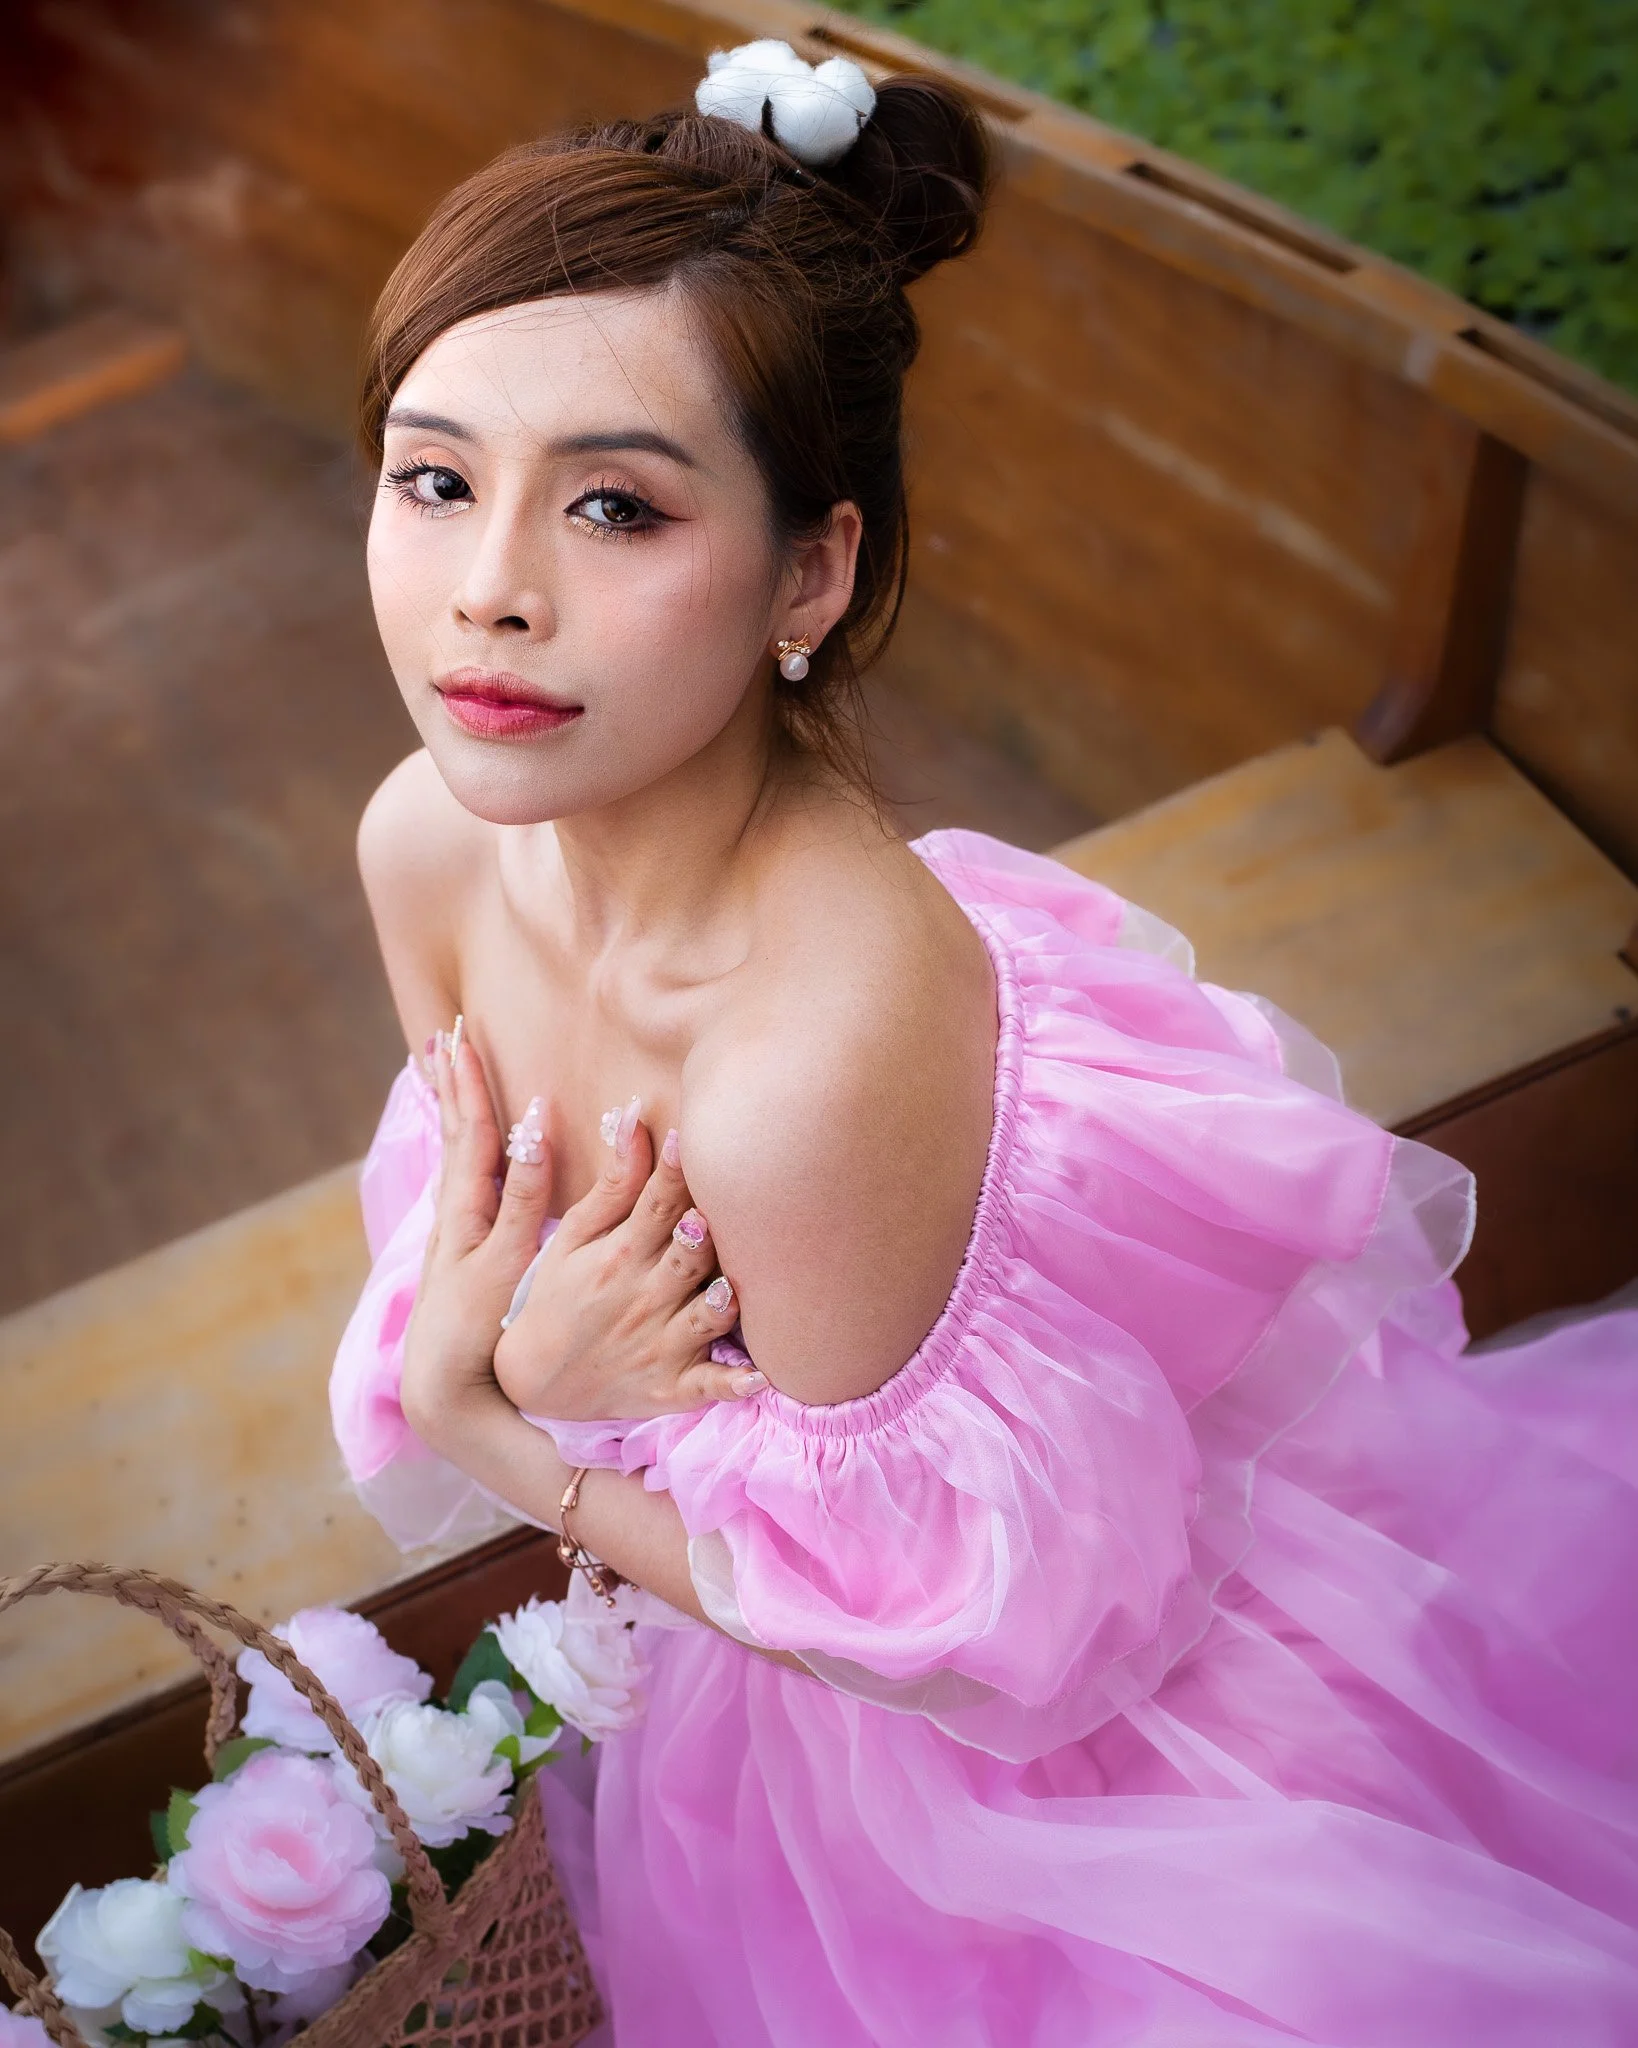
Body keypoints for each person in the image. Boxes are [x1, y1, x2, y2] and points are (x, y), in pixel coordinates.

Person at [330, 40, 1638, 2044]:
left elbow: (950, 1651)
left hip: (999, 1785)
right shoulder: (424, 843)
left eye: (612, 506)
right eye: (435, 479)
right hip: (739, 1666)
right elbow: (494, 1234)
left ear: (812, 570)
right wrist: (526, 1350)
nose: (487, 595)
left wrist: (500, 1419)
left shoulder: (813, 1062)